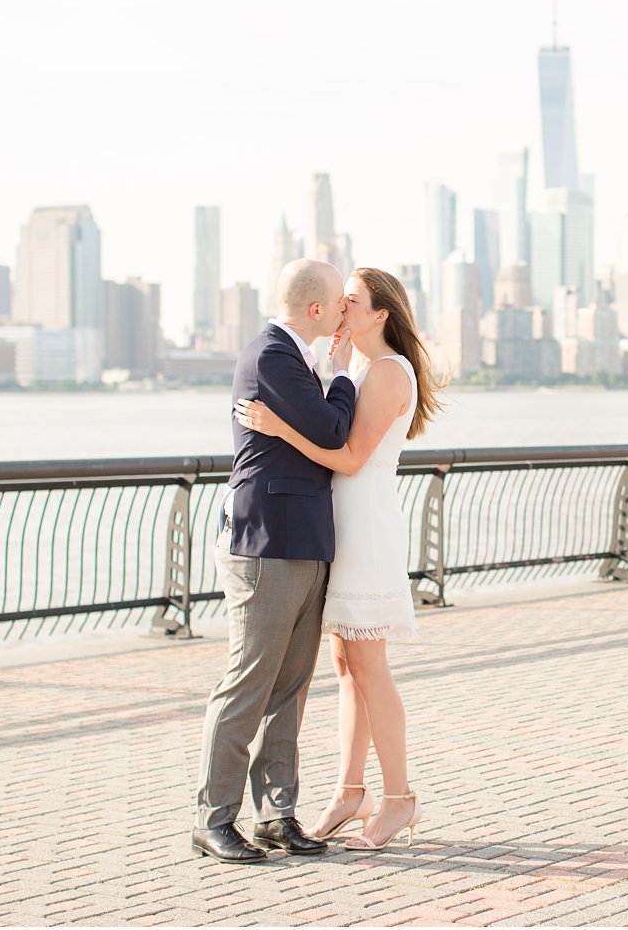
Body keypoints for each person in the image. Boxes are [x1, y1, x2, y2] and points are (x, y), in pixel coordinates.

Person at [237, 266, 443, 851]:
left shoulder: (385, 371)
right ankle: (350, 792)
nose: (340, 307)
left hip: (368, 526)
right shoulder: (355, 368)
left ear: (380, 314)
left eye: (352, 301)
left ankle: (400, 797)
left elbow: (348, 458)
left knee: (370, 665)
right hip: (342, 525)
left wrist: (278, 427)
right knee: (345, 665)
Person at [192, 258, 358, 864]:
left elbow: (319, 437)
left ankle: (277, 815)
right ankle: (213, 818)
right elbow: (331, 431)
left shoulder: (295, 357)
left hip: (304, 537)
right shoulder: (272, 356)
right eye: (340, 301)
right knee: (249, 681)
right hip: (266, 542)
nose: (345, 310)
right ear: (315, 309)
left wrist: (329, 376)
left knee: (289, 686)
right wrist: (340, 376)